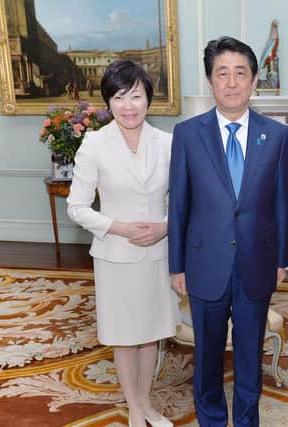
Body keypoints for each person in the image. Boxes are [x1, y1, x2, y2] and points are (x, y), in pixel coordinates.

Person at [168, 36, 288, 427]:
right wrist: (177, 266)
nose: (232, 82)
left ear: (254, 80)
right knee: (206, 357)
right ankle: (211, 421)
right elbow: (179, 207)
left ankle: (246, 420)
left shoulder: (276, 135)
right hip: (205, 264)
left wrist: (282, 260)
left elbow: (281, 202)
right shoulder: (188, 135)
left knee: (248, 356)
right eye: (223, 73)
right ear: (210, 82)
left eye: (241, 73)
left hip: (258, 263)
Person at [67, 59, 178, 427]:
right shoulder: (95, 143)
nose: (128, 106)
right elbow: (77, 208)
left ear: (148, 99)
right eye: (119, 97)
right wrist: (120, 228)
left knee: (150, 334)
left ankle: (145, 403)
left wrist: (163, 228)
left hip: (157, 255)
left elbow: (182, 203)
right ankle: (134, 407)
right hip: (115, 255)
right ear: (108, 103)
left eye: (136, 96)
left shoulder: (168, 143)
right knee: (125, 337)